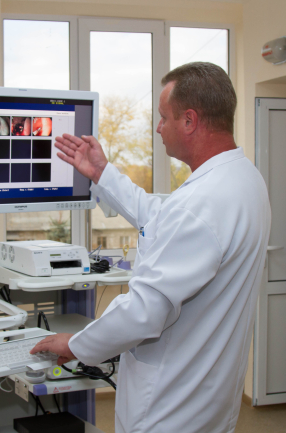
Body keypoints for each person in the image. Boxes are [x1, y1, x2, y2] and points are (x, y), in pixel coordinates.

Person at [31, 62, 271, 433]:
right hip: (208, 394)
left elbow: (144, 310)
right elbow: (160, 218)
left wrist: (76, 344)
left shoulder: (201, 203)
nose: (158, 127)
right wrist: (102, 173)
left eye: (163, 117)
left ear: (189, 120)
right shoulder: (243, 180)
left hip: (169, 405)